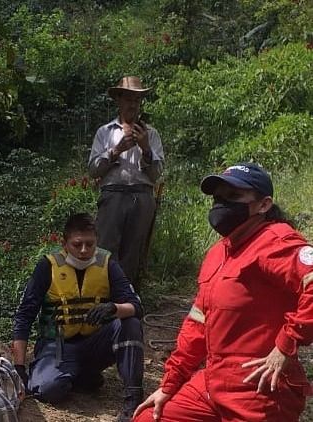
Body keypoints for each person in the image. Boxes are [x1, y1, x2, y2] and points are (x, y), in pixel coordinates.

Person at [133, 163, 313, 422]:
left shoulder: (276, 241)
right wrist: (169, 384)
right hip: (212, 382)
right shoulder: (219, 251)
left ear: (263, 205)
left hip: (259, 389)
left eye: (234, 197)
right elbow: (197, 324)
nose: (222, 205)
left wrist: (285, 347)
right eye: (218, 197)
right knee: (150, 417)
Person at [12, 213, 145, 422]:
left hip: (94, 344)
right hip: (56, 345)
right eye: (78, 244)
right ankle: (80, 377)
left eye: (90, 244)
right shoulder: (48, 266)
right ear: (65, 244)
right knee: (49, 389)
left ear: (96, 242)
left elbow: (136, 306)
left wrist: (113, 308)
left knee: (130, 323)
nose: (84, 251)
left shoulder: (108, 264)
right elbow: (24, 316)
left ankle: (134, 399)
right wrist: (19, 368)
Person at [88, 76, 165, 289]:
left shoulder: (152, 134)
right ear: (119, 100)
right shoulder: (104, 133)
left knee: (134, 251)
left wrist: (146, 149)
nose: (133, 104)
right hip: (112, 194)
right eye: (129, 98)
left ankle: (127, 299)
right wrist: (116, 150)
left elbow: (156, 174)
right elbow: (94, 169)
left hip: (142, 196)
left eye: (137, 100)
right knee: (105, 249)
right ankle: (102, 295)